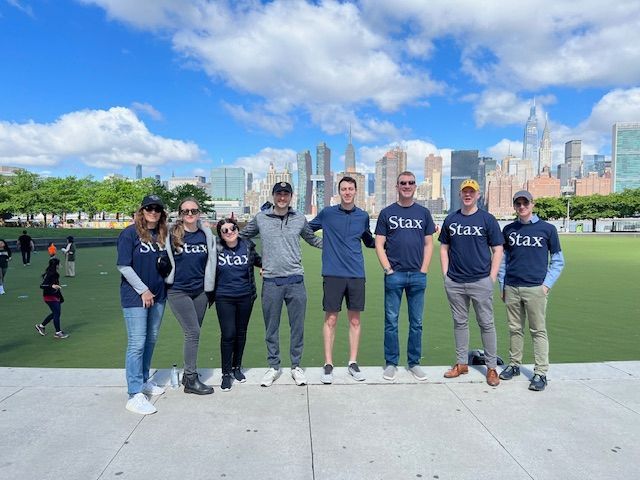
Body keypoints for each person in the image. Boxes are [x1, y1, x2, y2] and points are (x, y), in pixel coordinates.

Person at [240, 181, 322, 387]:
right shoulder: (261, 218)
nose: (282, 198)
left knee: (297, 328)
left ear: (291, 196)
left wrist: (339, 244)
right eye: (279, 194)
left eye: (286, 194)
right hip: (271, 282)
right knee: (271, 328)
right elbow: (241, 238)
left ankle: (296, 366)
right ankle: (274, 366)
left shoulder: (299, 219)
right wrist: (257, 260)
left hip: (295, 280)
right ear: (273, 195)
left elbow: (313, 240)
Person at [309, 176, 375, 383]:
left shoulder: (363, 216)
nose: (347, 192)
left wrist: (390, 241)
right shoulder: (327, 213)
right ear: (339, 192)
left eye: (350, 189)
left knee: (355, 320)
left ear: (356, 191)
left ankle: (352, 363)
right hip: (333, 273)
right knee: (331, 319)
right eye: (343, 189)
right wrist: (322, 244)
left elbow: (369, 241)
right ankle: (328, 364)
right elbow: (305, 230)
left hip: (356, 274)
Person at [498, 190, 565, 392]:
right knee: (514, 329)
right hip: (512, 287)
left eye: (525, 203)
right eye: (518, 204)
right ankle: (514, 365)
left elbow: (558, 261)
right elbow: (503, 260)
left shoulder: (547, 229)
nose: (522, 207)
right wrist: (502, 285)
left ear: (532, 204)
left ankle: (541, 373)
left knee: (538, 331)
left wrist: (546, 285)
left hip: (536, 288)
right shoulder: (509, 230)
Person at [439, 179, 504, 386]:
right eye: (464, 192)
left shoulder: (487, 219)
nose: (468, 195)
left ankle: (492, 367)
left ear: (478, 195)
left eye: (472, 192)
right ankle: (461, 364)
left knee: (486, 323)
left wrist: (491, 278)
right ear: (460, 195)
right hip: (455, 282)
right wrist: (446, 275)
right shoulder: (451, 219)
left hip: (480, 281)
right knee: (460, 323)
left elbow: (498, 250)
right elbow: (443, 249)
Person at [375, 171, 436, 382]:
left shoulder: (424, 213)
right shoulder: (386, 213)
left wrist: (424, 269)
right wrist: (388, 269)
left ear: (415, 186)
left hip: (418, 276)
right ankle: (391, 363)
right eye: (403, 183)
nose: (407, 186)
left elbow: (429, 244)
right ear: (397, 186)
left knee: (416, 322)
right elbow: (379, 244)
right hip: (394, 275)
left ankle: (414, 363)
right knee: (391, 322)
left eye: (410, 183)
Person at [116, 194, 169, 415]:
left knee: (151, 339)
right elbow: (124, 266)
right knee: (137, 342)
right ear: (142, 210)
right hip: (136, 296)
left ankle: (145, 379)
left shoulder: (162, 234)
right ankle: (134, 393)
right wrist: (143, 290)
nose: (153, 212)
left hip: (158, 294)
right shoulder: (130, 233)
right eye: (149, 208)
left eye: (157, 208)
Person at [164, 198, 218, 395]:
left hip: (200, 291)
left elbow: (213, 260)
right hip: (178, 291)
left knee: (194, 332)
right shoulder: (172, 234)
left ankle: (188, 374)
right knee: (192, 332)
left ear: (199, 212)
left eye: (193, 210)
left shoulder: (206, 235)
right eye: (186, 211)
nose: (189, 214)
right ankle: (191, 380)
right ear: (180, 213)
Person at [214, 218, 262, 391]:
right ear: (220, 234)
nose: (229, 232)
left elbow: (258, 260)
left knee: (241, 333)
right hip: (224, 297)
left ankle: (236, 368)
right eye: (224, 230)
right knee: (228, 334)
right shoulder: (216, 249)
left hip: (246, 296)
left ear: (237, 228)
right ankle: (226, 373)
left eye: (232, 228)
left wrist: (263, 267)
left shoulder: (247, 245)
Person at [35, 258, 69, 339]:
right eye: (59, 264)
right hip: (50, 297)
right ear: (56, 265)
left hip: (54, 296)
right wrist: (52, 286)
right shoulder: (51, 273)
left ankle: (41, 326)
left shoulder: (53, 273)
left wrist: (60, 297)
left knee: (55, 313)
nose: (61, 265)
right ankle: (58, 332)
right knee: (57, 313)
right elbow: (42, 285)